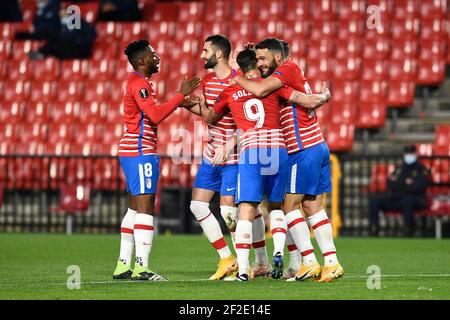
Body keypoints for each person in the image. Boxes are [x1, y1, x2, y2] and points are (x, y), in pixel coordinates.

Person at [187, 48, 331, 280]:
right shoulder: (272, 85)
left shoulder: (231, 89)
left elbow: (212, 116)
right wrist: (322, 97)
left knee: (246, 207)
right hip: (278, 150)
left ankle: (244, 269)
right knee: (278, 207)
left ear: (240, 68)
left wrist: (185, 103)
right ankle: (281, 255)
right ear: (257, 64)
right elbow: (304, 99)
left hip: (252, 152)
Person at [231, 38, 343, 282]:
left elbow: (259, 89)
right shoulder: (285, 79)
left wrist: (236, 77)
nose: (259, 64)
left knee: (289, 207)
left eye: (263, 59)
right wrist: (320, 98)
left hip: (302, 148)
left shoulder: (286, 71)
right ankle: (331, 262)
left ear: (278, 59)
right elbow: (307, 100)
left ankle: (310, 262)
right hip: (317, 144)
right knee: (312, 207)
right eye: (257, 60)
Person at [112, 39, 200, 281]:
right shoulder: (139, 83)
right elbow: (154, 115)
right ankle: (142, 267)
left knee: (133, 207)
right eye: (153, 55)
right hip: (140, 150)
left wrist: (178, 102)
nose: (157, 57)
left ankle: (122, 265)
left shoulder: (136, 82)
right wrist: (179, 95)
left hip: (131, 149)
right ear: (142, 61)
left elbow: (150, 112)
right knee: (146, 207)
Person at [183, 35, 240, 281]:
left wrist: (228, 147)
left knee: (229, 212)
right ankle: (227, 259)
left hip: (234, 155)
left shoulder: (238, 81)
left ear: (219, 54)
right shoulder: (207, 81)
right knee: (197, 205)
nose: (202, 54)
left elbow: (248, 122)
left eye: (205, 50)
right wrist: (183, 103)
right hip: (211, 153)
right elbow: (209, 115)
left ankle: (245, 263)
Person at [369, 144, 429, 237]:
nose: (409, 155)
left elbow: (419, 186)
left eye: (411, 153)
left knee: (408, 200)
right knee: (375, 200)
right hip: (397, 198)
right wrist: (406, 182)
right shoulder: (399, 168)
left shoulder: (421, 168)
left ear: (415, 154)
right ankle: (374, 229)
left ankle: (408, 230)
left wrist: (399, 183)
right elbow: (390, 184)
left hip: (415, 200)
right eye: (407, 153)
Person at [28, 5, 97, 60]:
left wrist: (78, 41)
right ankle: (41, 54)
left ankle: (42, 54)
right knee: (53, 40)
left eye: (64, 15)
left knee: (57, 40)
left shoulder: (79, 22)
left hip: (79, 49)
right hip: (67, 49)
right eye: (61, 15)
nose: (62, 17)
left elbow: (92, 34)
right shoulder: (62, 26)